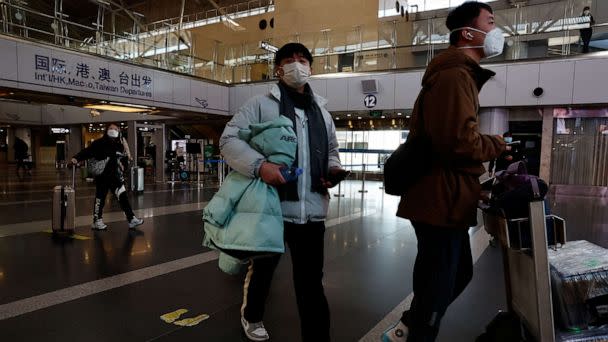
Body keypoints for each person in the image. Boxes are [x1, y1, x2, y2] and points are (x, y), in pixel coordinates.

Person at [382, 2, 507, 342]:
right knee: (437, 285)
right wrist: (495, 144)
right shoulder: (455, 75)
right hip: (438, 199)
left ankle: (411, 325)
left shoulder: (459, 74)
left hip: (445, 196)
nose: (497, 31)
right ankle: (414, 332)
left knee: (457, 274)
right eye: (491, 22)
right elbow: (457, 142)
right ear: (469, 33)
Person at [219, 42, 344, 342]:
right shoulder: (260, 104)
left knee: (311, 283)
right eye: (289, 60)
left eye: (302, 60)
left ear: (311, 68)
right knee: (263, 271)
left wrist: (333, 170)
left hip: (312, 211)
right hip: (271, 207)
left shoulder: (322, 113)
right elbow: (228, 140)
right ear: (278, 68)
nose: (296, 65)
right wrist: (260, 166)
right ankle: (252, 315)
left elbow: (332, 150)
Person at [71, 123, 143, 230]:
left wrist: (123, 163)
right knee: (100, 199)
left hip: (114, 176)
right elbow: (87, 151)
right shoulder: (99, 143)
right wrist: (76, 158)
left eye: (115, 129)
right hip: (103, 176)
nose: (113, 130)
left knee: (123, 196)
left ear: (118, 131)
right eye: (111, 128)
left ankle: (131, 218)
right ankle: (97, 221)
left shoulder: (119, 144)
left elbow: (121, 158)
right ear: (106, 130)